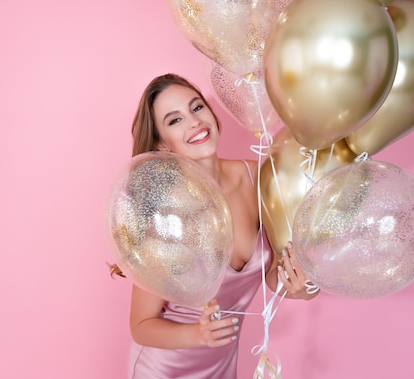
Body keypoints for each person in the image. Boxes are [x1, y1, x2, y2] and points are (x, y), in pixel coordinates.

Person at [110, 73, 317, 379]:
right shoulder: (163, 215)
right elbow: (140, 327)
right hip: (165, 368)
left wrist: (300, 286)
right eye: (174, 120)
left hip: (222, 363)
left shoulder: (258, 178)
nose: (194, 122)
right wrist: (199, 334)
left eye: (196, 108)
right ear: (161, 144)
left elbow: (270, 273)